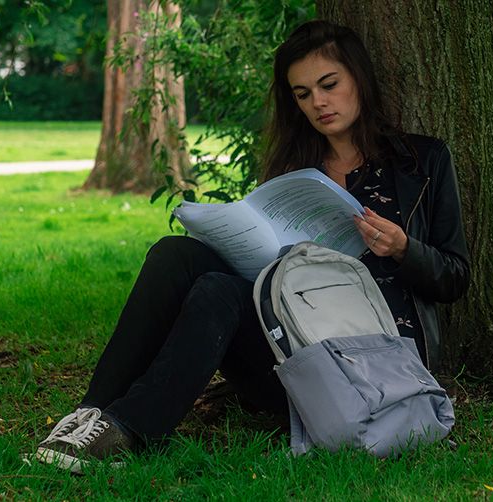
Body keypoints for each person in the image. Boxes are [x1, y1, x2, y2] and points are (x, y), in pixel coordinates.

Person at [35, 20, 470, 472]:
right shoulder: (296, 168)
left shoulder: (422, 161)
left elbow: (455, 276)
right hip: (289, 343)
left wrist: (403, 247)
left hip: (367, 368)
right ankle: (87, 416)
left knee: (217, 292)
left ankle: (129, 430)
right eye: (302, 94)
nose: (318, 102)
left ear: (358, 78)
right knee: (175, 254)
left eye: (329, 84)